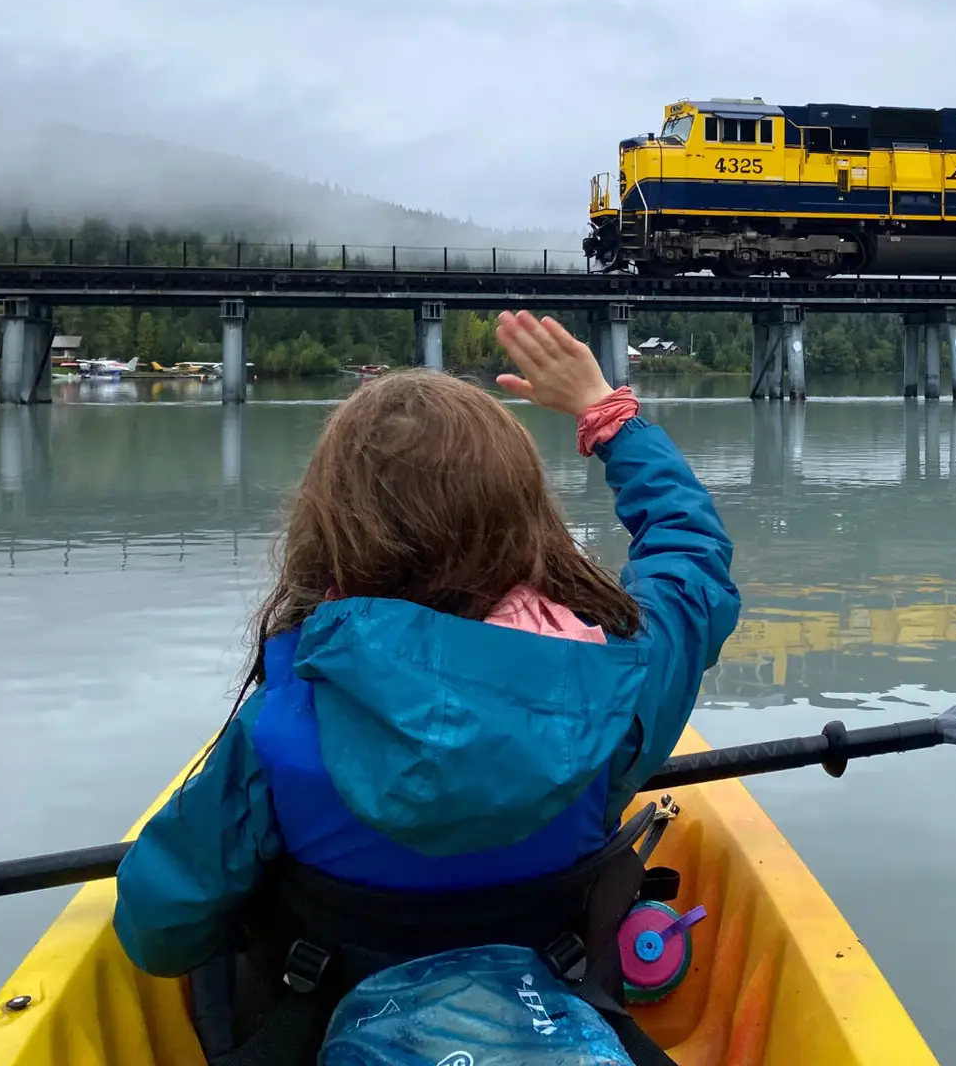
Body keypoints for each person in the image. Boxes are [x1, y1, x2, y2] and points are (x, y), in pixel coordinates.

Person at [111, 311, 738, 1062]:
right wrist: (609, 417)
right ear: (526, 516)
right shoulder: (618, 685)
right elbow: (690, 560)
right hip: (556, 998)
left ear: (330, 526)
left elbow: (159, 929)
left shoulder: (276, 729)